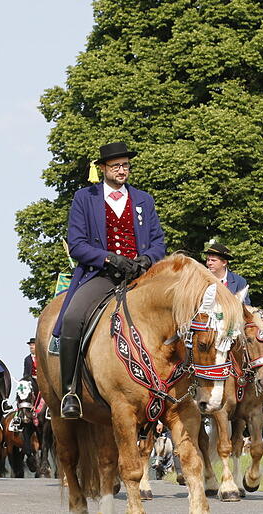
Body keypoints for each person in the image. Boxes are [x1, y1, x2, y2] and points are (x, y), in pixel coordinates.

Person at [54, 142, 167, 419]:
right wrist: (109, 258)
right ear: (102, 168)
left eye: (125, 165)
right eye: (116, 166)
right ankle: (70, 392)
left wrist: (147, 259)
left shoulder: (144, 200)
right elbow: (77, 244)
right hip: (102, 275)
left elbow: (158, 242)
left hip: (141, 277)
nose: (122, 170)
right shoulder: (84, 198)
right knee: (72, 318)